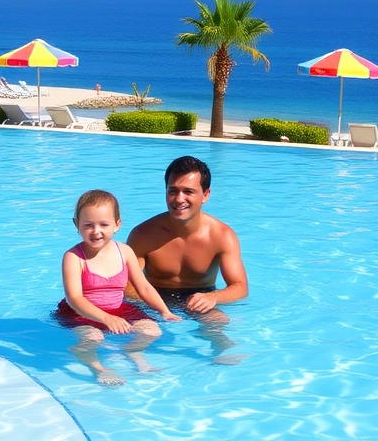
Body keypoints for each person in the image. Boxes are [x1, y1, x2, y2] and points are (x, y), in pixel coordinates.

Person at [127, 155, 248, 361]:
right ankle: (135, 357)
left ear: (206, 195)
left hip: (199, 297)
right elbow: (127, 284)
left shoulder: (221, 235)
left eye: (188, 192)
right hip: (154, 297)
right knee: (142, 330)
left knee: (218, 321)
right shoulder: (143, 234)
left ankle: (221, 351)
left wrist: (213, 297)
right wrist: (156, 307)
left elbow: (240, 287)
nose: (179, 199)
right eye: (173, 191)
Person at [56, 189, 180, 387]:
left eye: (104, 224)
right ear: (76, 225)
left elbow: (144, 288)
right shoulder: (73, 257)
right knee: (93, 337)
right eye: (88, 225)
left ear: (117, 225)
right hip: (80, 313)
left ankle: (134, 353)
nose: (96, 231)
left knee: (152, 331)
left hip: (118, 309)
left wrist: (165, 311)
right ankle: (99, 368)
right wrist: (106, 318)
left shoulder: (125, 252)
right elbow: (75, 299)